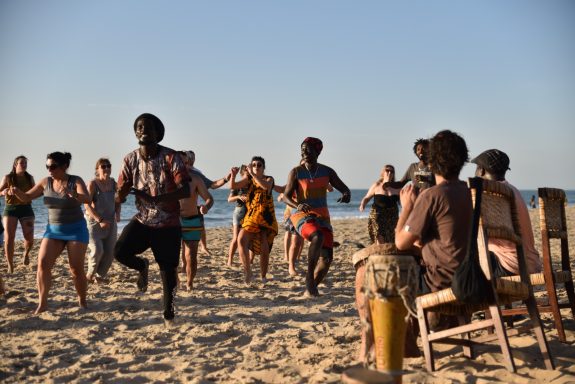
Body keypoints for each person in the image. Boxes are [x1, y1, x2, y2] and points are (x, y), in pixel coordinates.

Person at [114, 113, 189, 324]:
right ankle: (142, 266)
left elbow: (185, 191)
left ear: (158, 133)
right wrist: (120, 192)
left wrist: (154, 198)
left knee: (168, 272)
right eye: (139, 127)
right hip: (143, 220)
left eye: (148, 128)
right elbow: (119, 195)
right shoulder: (129, 159)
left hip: (168, 224)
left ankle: (169, 313)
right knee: (119, 251)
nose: (142, 130)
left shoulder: (171, 157)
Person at [7, 152, 90, 314]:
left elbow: (87, 198)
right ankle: (43, 303)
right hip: (53, 230)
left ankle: (82, 301)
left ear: (64, 166)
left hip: (76, 230)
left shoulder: (75, 180)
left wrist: (75, 194)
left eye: (53, 166)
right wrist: (16, 191)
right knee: (43, 264)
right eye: (47, 166)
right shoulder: (46, 182)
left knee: (75, 268)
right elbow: (26, 197)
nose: (49, 170)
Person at [395, 130, 472, 295]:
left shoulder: (432, 195)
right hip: (470, 278)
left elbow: (400, 243)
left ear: (431, 160)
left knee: (379, 278)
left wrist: (407, 207)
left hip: (440, 281)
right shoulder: (470, 192)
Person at [282, 137, 351, 296]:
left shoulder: (327, 171)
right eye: (302, 150)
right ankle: (308, 278)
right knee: (317, 236)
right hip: (301, 215)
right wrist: (297, 205)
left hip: (322, 217)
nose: (304, 152)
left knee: (327, 259)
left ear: (317, 152)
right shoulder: (296, 172)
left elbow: (344, 188)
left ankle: (310, 289)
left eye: (308, 149)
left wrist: (347, 194)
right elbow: (286, 196)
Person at [471, 149, 542, 276]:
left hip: (509, 265)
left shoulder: (489, 194)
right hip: (531, 263)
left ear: (481, 170)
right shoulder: (513, 190)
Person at [230, 156, 278, 284]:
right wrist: (233, 175)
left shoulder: (269, 179)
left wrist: (252, 174)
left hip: (265, 216)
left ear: (263, 167)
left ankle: (263, 276)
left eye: (259, 165)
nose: (256, 167)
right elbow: (233, 186)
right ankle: (248, 272)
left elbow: (265, 187)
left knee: (264, 243)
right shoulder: (248, 179)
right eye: (254, 165)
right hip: (251, 215)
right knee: (241, 239)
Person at [178, 153, 214, 292]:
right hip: (174, 221)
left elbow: (209, 198)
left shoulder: (196, 179)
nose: (183, 166)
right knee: (172, 255)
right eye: (180, 163)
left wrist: (206, 207)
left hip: (192, 220)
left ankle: (189, 283)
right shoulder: (168, 180)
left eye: (185, 163)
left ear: (189, 164)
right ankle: (175, 280)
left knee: (191, 255)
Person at [184, 150, 230, 256]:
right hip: (179, 210)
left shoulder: (196, 173)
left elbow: (212, 185)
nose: (192, 160)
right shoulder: (175, 172)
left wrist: (226, 179)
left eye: (193, 157)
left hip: (196, 207)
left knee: (200, 226)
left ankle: (203, 247)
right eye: (189, 157)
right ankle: (184, 263)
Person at [84, 158, 121, 284]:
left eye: (108, 166)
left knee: (110, 252)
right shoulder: (92, 184)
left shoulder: (113, 183)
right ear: (97, 169)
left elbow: (117, 200)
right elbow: (87, 205)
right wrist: (99, 219)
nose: (106, 168)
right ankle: (89, 276)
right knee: (97, 250)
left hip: (110, 222)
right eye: (103, 166)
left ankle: (99, 277)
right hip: (94, 222)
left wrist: (118, 213)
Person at [0, 155, 36, 273]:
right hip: (11, 209)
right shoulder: (8, 177)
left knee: (29, 238)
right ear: (16, 165)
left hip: (26, 208)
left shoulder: (30, 178)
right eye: (22, 163)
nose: (24, 165)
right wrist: (4, 192)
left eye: (25, 163)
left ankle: (26, 253)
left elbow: (35, 193)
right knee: (9, 237)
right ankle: (10, 264)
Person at [359, 165, 401, 244]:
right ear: (383, 173)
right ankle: (379, 249)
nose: (389, 173)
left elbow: (402, 202)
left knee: (390, 237)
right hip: (378, 213)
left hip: (392, 215)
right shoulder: (376, 185)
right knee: (378, 232)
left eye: (392, 171)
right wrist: (362, 204)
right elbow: (367, 197)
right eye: (387, 170)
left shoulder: (397, 187)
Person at [227, 165, 249, 267]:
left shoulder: (252, 184)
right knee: (236, 238)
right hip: (239, 211)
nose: (248, 174)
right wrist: (239, 196)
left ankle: (243, 259)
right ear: (241, 174)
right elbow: (229, 199)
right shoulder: (238, 185)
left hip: (250, 212)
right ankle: (230, 260)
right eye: (246, 172)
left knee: (245, 238)